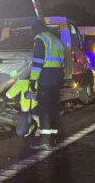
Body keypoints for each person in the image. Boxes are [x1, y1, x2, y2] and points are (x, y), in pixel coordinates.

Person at [29, 19, 65, 149]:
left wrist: (33, 81)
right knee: (53, 108)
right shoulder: (55, 40)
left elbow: (37, 63)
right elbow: (62, 62)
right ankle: (54, 137)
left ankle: (44, 140)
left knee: (44, 110)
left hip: (45, 78)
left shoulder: (41, 39)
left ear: (36, 30)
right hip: (56, 78)